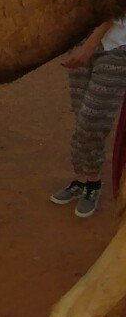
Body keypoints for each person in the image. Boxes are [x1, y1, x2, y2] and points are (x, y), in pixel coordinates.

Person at [51, 15, 126, 218]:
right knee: (80, 113)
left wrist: (88, 48)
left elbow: (112, 8)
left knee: (92, 120)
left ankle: (93, 182)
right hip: (81, 42)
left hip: (117, 47)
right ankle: (81, 179)